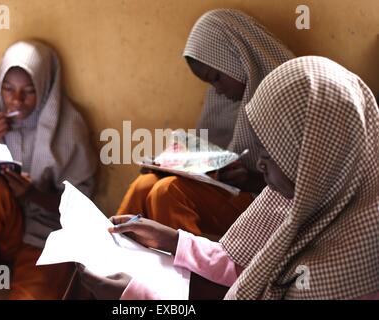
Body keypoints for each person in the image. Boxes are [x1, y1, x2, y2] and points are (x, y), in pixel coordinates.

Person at [78, 56, 379, 300]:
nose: (259, 165)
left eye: (271, 155)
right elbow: (248, 265)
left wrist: (141, 298)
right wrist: (172, 240)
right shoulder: (310, 197)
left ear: (313, 161)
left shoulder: (348, 268)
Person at [117, 9, 295, 237]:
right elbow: (210, 158)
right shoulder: (223, 100)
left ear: (238, 59)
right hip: (229, 195)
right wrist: (174, 165)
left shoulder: (287, 95)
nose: (218, 90)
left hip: (265, 205)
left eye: (217, 77)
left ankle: (189, 271)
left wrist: (250, 179)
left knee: (167, 191)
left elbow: (302, 188)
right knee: (145, 184)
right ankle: (102, 256)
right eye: (210, 83)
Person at [0, 40, 97, 300]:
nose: (16, 101)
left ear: (46, 87)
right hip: (8, 230)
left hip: (47, 234)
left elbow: (82, 209)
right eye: (8, 89)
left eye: (29, 91)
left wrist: (32, 194)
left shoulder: (69, 127)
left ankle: (39, 274)